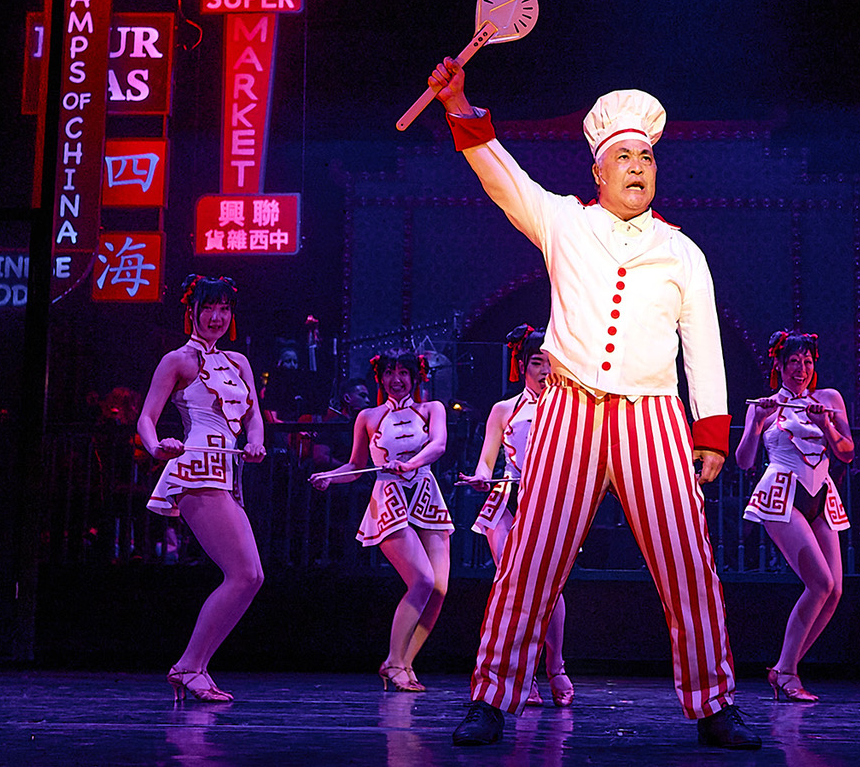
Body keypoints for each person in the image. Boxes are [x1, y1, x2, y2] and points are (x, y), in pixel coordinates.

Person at [430, 59, 759, 750]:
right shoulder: (564, 224)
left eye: (646, 156)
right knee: (531, 559)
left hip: (653, 416)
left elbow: (703, 344)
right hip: (570, 412)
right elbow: (502, 175)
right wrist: (459, 103)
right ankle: (492, 696)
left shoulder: (681, 252)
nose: (637, 166)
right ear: (599, 171)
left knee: (688, 561)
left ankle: (714, 701)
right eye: (624, 157)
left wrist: (712, 431)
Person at [137, 274, 267, 702]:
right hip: (195, 468)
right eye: (208, 308)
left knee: (250, 576)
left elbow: (253, 416)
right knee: (244, 573)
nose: (216, 317)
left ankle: (194, 667)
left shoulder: (238, 362)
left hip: (228, 473)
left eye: (224, 309)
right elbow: (147, 419)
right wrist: (159, 447)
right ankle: (188, 666)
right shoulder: (177, 360)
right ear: (191, 311)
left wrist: (256, 441)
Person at [310, 349, 452, 692]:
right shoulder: (369, 417)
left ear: (415, 376)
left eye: (404, 372)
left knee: (439, 588)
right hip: (389, 500)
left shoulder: (432, 409)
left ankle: (405, 662)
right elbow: (355, 466)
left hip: (426, 495)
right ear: (380, 377)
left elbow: (439, 446)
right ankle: (392, 661)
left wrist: (410, 463)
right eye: (390, 373)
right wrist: (330, 475)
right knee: (421, 579)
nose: (397, 379)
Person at [736, 330, 854, 702]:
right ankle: (787, 672)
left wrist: (826, 425)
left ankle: (784, 667)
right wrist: (757, 423)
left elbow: (847, 453)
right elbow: (744, 460)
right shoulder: (765, 404)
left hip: (821, 495)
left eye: (807, 362)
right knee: (819, 583)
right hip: (782, 496)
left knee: (834, 591)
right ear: (779, 365)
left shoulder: (829, 400)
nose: (800, 369)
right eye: (792, 363)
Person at [460, 324, 572, 708]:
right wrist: (478, 476)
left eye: (550, 363)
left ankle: (554, 664)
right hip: (507, 500)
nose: (544, 371)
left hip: (551, 502)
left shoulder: (571, 411)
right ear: (522, 364)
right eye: (537, 362)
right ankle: (522, 675)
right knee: (515, 586)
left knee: (550, 587)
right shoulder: (504, 409)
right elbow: (487, 461)